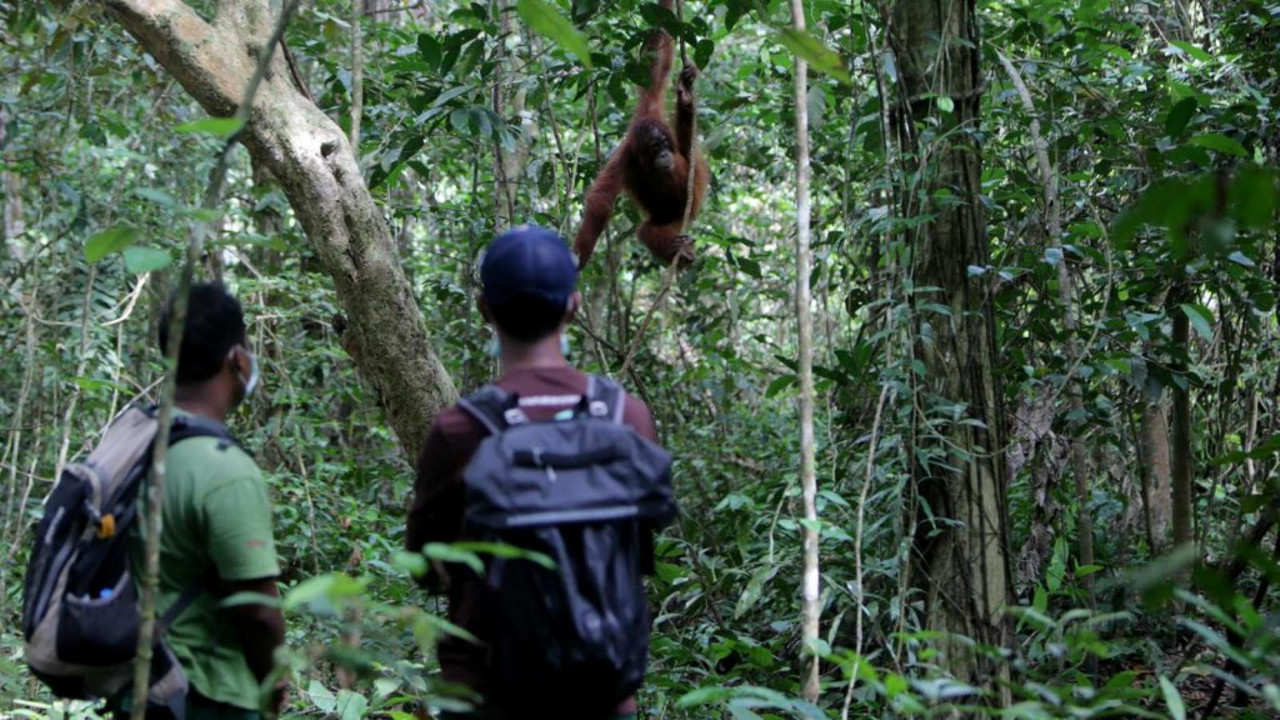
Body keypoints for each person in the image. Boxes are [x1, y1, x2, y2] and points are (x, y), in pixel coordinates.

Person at [405, 226, 662, 720]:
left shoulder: (459, 430)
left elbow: (423, 566)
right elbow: (641, 539)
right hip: (602, 696)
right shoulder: (625, 417)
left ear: (485, 309)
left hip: (486, 695)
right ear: (574, 305)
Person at [108, 282, 287, 720]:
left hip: (135, 688)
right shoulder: (225, 470)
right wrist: (275, 681)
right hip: (205, 695)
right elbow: (259, 610)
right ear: (237, 358)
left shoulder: (127, 444)